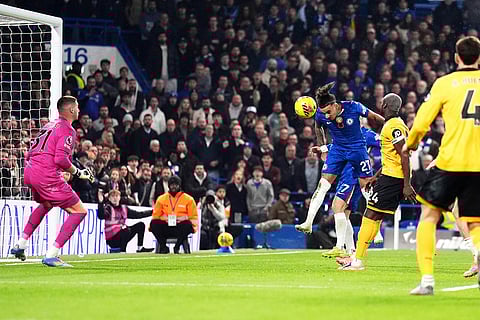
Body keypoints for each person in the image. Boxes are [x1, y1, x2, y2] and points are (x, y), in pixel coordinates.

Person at [404, 36, 480, 295]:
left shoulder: (445, 84)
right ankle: (478, 255)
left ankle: (427, 281)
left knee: (429, 215)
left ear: (457, 57)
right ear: (479, 57)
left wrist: (411, 143)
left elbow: (423, 121)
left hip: (451, 161)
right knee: (476, 222)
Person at [11, 96, 95, 267]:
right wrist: (77, 172)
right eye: (77, 107)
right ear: (71, 110)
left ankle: (21, 244)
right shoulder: (68, 129)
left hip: (30, 170)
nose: (79, 110)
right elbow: (61, 159)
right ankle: (52, 254)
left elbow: (31, 152)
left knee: (47, 203)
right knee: (79, 211)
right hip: (45, 174)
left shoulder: (49, 125)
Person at [337, 93, 415, 270]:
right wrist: (375, 176)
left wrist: (407, 184)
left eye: (382, 102)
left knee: (370, 215)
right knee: (375, 216)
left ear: (385, 105)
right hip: (390, 176)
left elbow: (404, 154)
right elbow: (393, 157)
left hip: (393, 178)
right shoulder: (396, 124)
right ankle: (356, 257)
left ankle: (356, 260)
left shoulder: (393, 126)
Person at [295, 82, 384, 234]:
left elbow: (375, 117)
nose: (327, 116)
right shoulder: (321, 114)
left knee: (366, 189)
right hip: (338, 150)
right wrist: (322, 146)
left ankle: (376, 226)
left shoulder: (353, 106)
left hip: (357, 149)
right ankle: (308, 222)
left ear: (335, 105)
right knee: (322, 185)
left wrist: (393, 124)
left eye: (329, 112)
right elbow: (318, 126)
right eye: (324, 113)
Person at [322, 126, 382, 258]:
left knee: (337, 207)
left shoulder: (367, 134)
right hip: (345, 175)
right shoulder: (345, 134)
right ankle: (351, 251)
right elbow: (336, 146)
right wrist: (322, 148)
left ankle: (340, 246)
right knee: (345, 213)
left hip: (353, 176)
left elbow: (384, 142)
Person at [150, 175, 198, 254]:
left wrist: (185, 218)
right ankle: (164, 247)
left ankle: (177, 247)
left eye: (176, 185)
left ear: (179, 185)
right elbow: (155, 216)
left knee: (188, 224)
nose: (174, 187)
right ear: (168, 186)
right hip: (166, 226)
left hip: (180, 227)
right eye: (172, 185)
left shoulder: (189, 199)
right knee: (154, 223)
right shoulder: (161, 199)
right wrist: (165, 218)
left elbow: (194, 217)